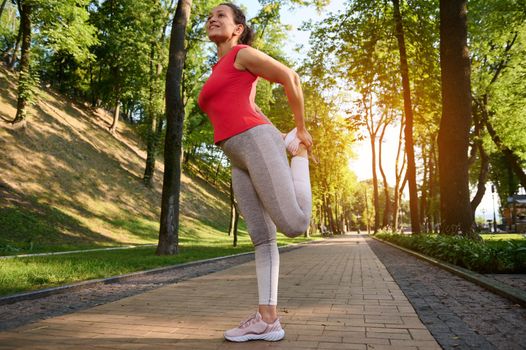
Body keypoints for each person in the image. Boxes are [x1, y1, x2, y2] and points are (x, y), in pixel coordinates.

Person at [198, 2, 314, 343]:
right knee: (262, 239)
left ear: (237, 28)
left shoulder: (242, 54)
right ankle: (267, 320)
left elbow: (289, 76)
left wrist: (300, 129)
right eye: (209, 16)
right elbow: (249, 107)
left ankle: (301, 153)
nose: (213, 19)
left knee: (294, 225)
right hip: (239, 152)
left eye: (221, 15)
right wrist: (279, 135)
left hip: (253, 142)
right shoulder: (219, 68)